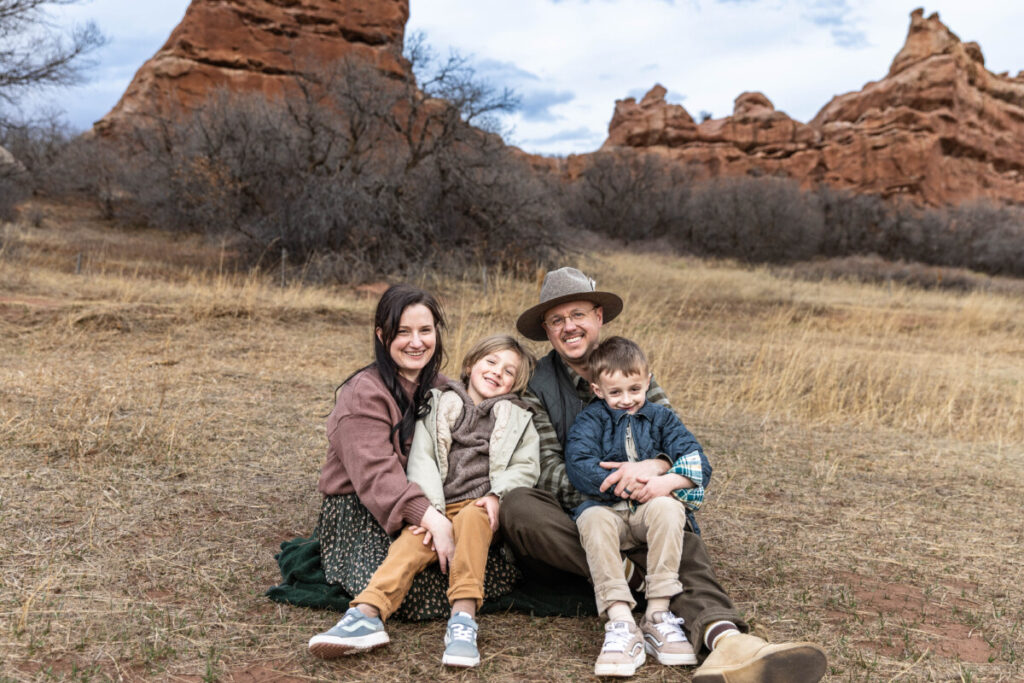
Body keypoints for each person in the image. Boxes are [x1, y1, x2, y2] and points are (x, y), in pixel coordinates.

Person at [501, 266, 828, 682]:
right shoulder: (537, 385)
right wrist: (621, 487)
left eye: (578, 314)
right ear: (546, 330)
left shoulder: (631, 368)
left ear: (598, 316)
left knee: (676, 529)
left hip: (648, 509)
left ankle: (729, 643)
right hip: (584, 517)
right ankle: (639, 581)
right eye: (557, 320)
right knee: (521, 507)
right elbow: (546, 468)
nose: (569, 327)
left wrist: (654, 470)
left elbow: (678, 443)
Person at [306, 286, 520, 659]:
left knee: (454, 559)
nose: (416, 342)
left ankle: (461, 616)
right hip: (361, 507)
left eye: (425, 330)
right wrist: (432, 519)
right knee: (415, 587)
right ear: (381, 335)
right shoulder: (363, 394)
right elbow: (376, 478)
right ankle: (364, 619)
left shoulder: (439, 387)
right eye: (403, 332)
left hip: (430, 499)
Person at [565, 336, 707, 676]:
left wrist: (661, 482)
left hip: (647, 510)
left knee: (668, 508)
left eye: (634, 389)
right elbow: (579, 465)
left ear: (647, 380)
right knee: (592, 519)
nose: (626, 400)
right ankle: (620, 621)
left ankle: (657, 614)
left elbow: (697, 461)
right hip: (607, 509)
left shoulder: (662, 419)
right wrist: (625, 485)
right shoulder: (590, 421)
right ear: (598, 390)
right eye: (615, 393)